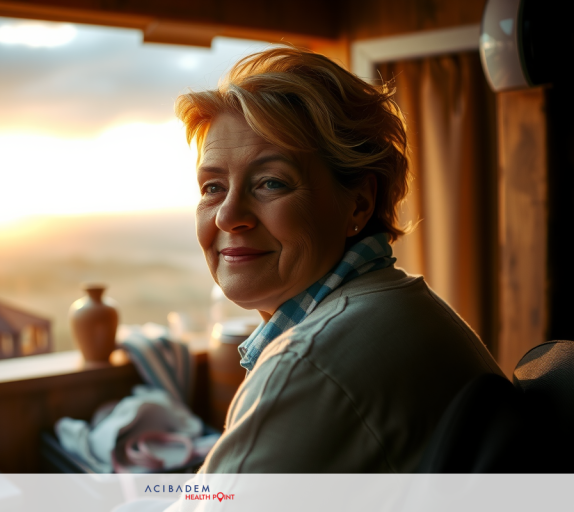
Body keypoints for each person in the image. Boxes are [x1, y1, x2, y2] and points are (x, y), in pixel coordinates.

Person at [174, 46, 503, 473]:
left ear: (358, 204)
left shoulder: (309, 364)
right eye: (213, 187)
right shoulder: (395, 303)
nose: (228, 216)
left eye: (271, 183)